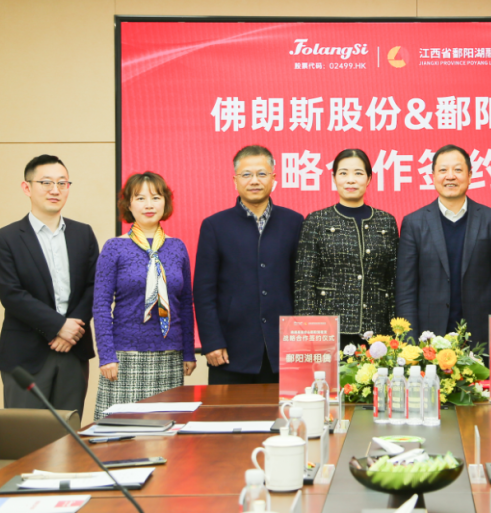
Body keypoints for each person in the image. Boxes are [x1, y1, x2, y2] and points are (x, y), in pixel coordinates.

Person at [0, 155, 98, 414]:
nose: (55, 190)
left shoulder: (83, 233)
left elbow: (95, 286)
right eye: (46, 182)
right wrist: (59, 326)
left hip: (73, 350)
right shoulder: (5, 239)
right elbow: (11, 294)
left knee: (69, 432)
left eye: (62, 183)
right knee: (27, 434)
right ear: (27, 187)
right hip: (26, 355)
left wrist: (73, 330)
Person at [194, 145, 304, 384]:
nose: (254, 181)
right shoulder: (215, 226)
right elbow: (204, 292)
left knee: (284, 409)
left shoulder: (294, 222)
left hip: (284, 349)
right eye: (246, 174)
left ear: (274, 178)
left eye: (262, 174)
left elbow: (301, 287)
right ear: (235, 180)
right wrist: (211, 341)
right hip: (230, 350)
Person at [92, 172, 197, 420]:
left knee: (166, 430)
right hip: (124, 356)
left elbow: (185, 304)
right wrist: (106, 356)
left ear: (165, 203)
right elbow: (100, 305)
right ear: (128, 205)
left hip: (169, 355)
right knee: (121, 431)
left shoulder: (177, 247)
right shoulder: (114, 247)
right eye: (140, 198)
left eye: (155, 197)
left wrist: (189, 352)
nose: (149, 205)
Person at [395, 144, 491, 349]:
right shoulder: (413, 223)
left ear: (470, 176)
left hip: (480, 339)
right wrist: (410, 344)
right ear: (433, 176)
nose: (450, 176)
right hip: (428, 340)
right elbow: (405, 290)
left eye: (458, 170)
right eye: (443, 170)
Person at [294, 149, 399, 347]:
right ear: (334, 178)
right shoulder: (317, 221)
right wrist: (307, 332)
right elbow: (304, 282)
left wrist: (396, 331)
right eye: (343, 173)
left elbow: (393, 281)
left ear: (369, 179)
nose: (351, 180)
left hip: (377, 331)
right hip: (328, 331)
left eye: (358, 173)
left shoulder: (386, 222)